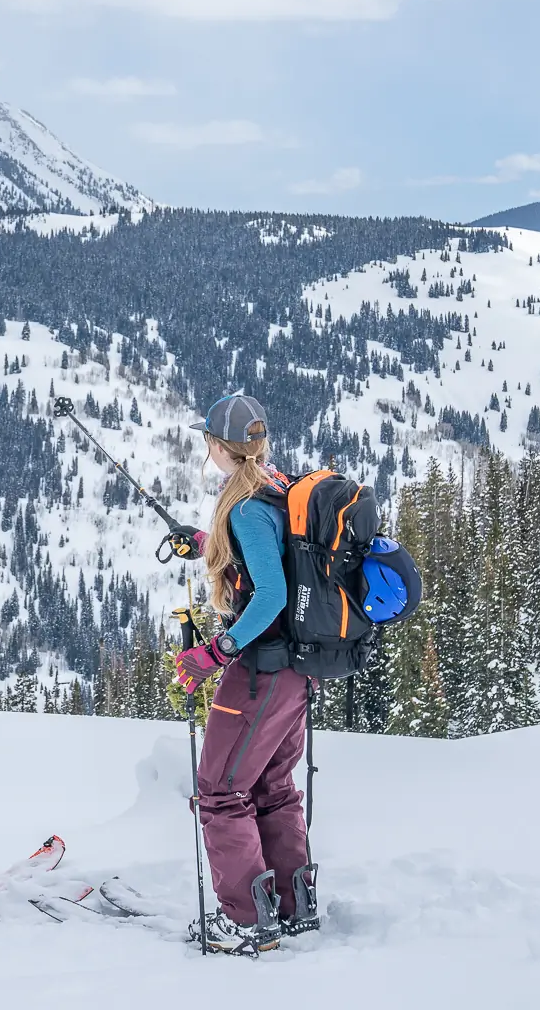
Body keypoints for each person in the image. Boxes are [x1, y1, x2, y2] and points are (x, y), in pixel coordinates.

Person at [172, 393, 314, 954]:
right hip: (297, 671)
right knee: (273, 787)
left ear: (218, 446)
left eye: (207, 440)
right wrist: (207, 546)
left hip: (261, 671)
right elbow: (270, 560)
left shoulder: (247, 507)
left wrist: (217, 650)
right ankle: (294, 905)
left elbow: (271, 594)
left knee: (220, 791)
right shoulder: (278, 488)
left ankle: (247, 922)